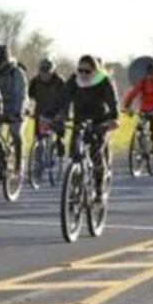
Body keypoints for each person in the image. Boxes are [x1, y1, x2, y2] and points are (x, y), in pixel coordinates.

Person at [61, 55, 120, 202]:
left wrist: (114, 118)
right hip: (79, 120)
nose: (83, 74)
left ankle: (99, 190)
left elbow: (113, 102)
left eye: (87, 71)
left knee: (96, 153)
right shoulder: (74, 80)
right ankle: (74, 187)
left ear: (95, 70)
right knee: (74, 153)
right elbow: (61, 98)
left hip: (100, 121)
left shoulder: (104, 81)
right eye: (80, 70)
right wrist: (54, 115)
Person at [0, 45, 28, 171]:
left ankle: (18, 163)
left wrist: (17, 113)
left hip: (17, 108)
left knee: (15, 132)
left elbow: (20, 95)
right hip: (0, 107)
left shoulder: (16, 73)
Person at [122, 62, 153, 146]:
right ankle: (140, 146)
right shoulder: (142, 83)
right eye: (149, 74)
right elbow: (132, 93)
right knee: (139, 127)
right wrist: (126, 105)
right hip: (144, 108)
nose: (151, 76)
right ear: (147, 74)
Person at [27, 57, 66, 156]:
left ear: (53, 71)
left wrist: (62, 114)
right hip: (41, 113)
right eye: (42, 71)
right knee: (39, 140)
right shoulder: (35, 82)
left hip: (56, 113)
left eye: (47, 72)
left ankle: (59, 155)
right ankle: (38, 162)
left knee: (59, 138)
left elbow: (66, 100)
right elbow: (29, 97)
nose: (44, 74)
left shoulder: (60, 82)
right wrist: (28, 108)